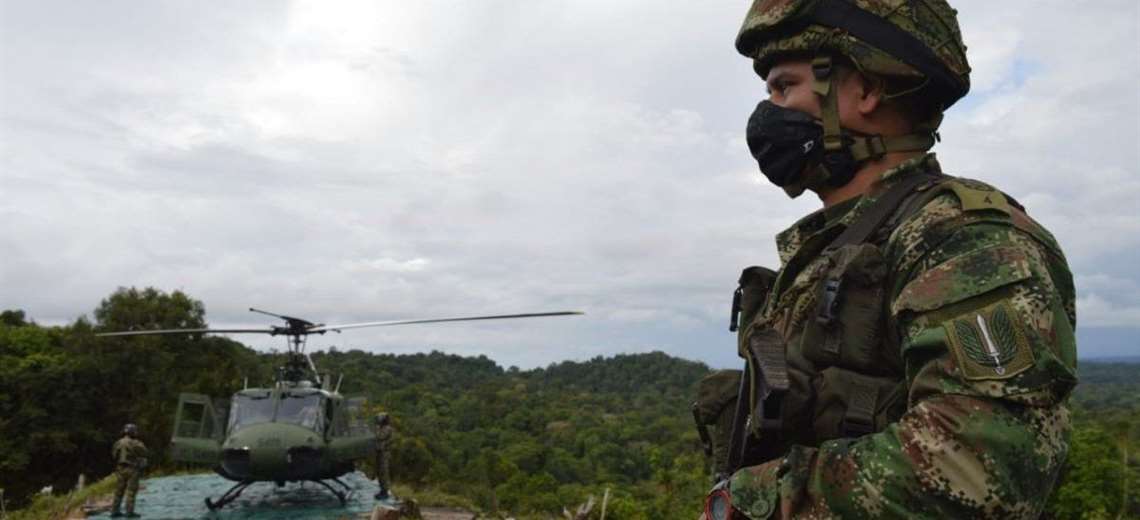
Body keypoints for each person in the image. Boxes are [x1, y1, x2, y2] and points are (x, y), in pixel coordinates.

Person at [707, 0, 1078, 518]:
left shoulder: (963, 239)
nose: (767, 113)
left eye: (784, 87)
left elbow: (983, 466)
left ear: (864, 90)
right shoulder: (838, 246)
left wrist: (751, 503)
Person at [110, 423, 148, 518]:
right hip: (132, 469)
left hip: (120, 469)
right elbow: (144, 452)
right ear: (133, 432)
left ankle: (114, 511)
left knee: (119, 491)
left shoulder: (118, 442)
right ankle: (129, 512)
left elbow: (114, 455)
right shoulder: (136, 443)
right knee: (131, 491)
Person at [373, 413, 395, 500]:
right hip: (380, 452)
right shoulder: (382, 428)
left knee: (383, 472)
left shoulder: (387, 429)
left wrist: (376, 429)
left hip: (384, 453)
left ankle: (385, 491)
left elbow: (379, 436)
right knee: (379, 472)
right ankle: (382, 490)